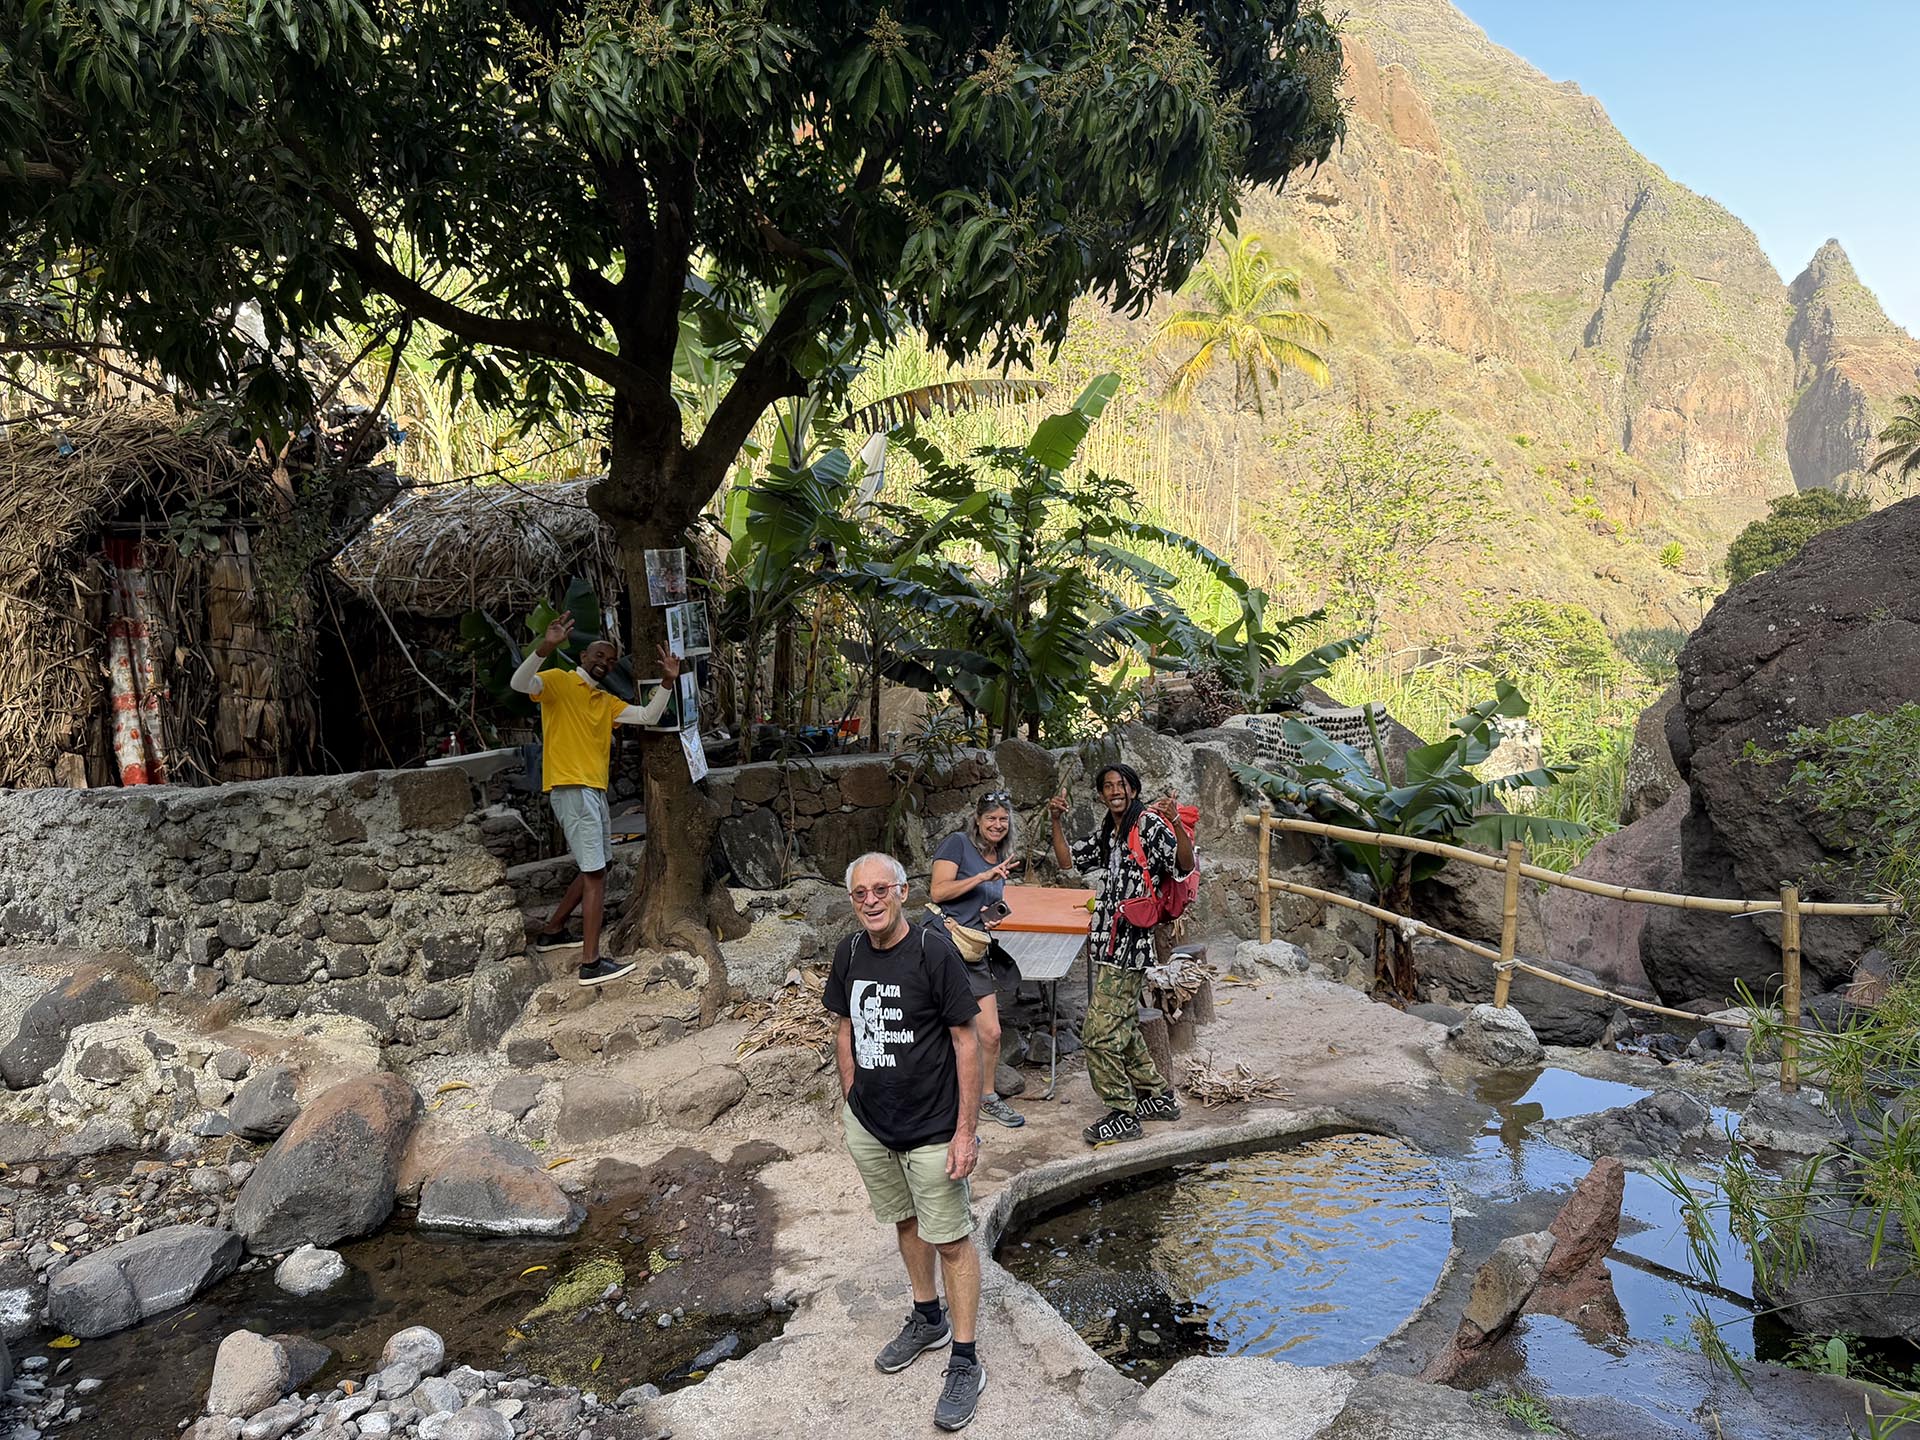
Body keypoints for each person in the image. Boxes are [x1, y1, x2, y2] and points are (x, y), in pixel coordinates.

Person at [825, 852, 986, 1432]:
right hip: (872, 1122)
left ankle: (965, 1358)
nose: (870, 900)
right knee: (904, 1220)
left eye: (880, 890)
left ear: (902, 893)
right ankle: (927, 1317)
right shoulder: (847, 952)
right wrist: (851, 1097)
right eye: (860, 892)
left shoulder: (931, 951)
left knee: (950, 1241)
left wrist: (965, 1132)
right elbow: (844, 1025)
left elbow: (967, 1042)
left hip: (933, 1126)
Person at [510, 610, 679, 987]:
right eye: (599, 656)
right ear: (584, 657)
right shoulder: (557, 682)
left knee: (598, 865)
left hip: (593, 791)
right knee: (596, 873)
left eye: (611, 659)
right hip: (571, 788)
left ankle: (554, 930)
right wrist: (546, 647)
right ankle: (591, 962)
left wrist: (667, 682)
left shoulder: (606, 702)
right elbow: (519, 684)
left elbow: (649, 716)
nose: (605, 663)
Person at [1048, 763, 1195, 1147]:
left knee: (1096, 1036)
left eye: (1121, 784)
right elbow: (1068, 862)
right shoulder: (1109, 833)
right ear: (1100, 794)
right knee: (1124, 1028)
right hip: (1109, 945)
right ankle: (1158, 1096)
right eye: (1107, 786)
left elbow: (1185, 864)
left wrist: (1176, 823)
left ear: (1133, 790)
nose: (1115, 790)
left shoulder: (1147, 824)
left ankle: (1123, 1113)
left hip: (1129, 949)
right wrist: (1056, 821)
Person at [928, 790, 1026, 1130]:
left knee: (992, 1033)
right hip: (943, 942)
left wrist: (989, 917)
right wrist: (983, 876)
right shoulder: (957, 844)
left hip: (974, 945)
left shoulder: (1002, 854)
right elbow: (939, 892)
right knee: (948, 1028)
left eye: (1002, 819)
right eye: (991, 819)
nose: (997, 825)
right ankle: (946, 1102)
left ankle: (987, 1097)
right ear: (978, 819)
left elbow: (980, 907)